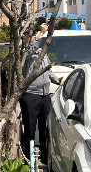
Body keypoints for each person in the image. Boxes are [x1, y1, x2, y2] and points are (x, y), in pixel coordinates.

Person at [20, 29, 62, 160]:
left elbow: (47, 70)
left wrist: (55, 79)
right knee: (30, 128)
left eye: (34, 35)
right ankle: (29, 158)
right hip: (31, 95)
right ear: (25, 37)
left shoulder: (41, 52)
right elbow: (31, 50)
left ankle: (44, 156)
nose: (33, 38)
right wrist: (40, 35)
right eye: (31, 35)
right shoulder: (24, 52)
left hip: (44, 95)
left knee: (44, 128)